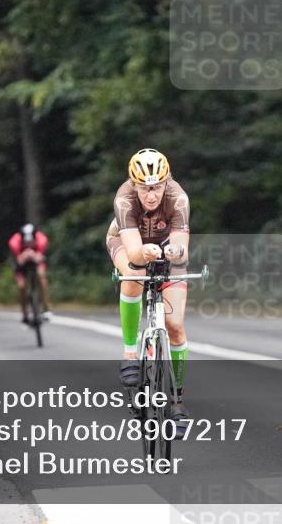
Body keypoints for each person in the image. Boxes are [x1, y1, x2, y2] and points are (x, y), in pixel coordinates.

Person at [106, 148, 191, 426]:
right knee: (135, 273)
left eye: (156, 187)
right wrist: (145, 252)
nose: (151, 195)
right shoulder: (124, 198)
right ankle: (130, 352)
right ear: (134, 185)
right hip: (128, 243)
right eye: (144, 188)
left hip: (165, 246)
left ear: (167, 182)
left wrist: (174, 251)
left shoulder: (178, 198)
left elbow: (182, 250)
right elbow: (134, 253)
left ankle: (177, 400)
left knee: (175, 326)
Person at [7, 222, 52, 324]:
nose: (28, 245)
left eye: (31, 242)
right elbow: (19, 260)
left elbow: (39, 257)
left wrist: (34, 255)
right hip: (22, 264)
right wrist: (24, 256)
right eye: (26, 243)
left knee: (42, 278)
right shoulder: (14, 242)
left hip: (36, 262)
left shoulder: (41, 239)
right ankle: (25, 313)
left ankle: (46, 309)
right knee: (21, 286)